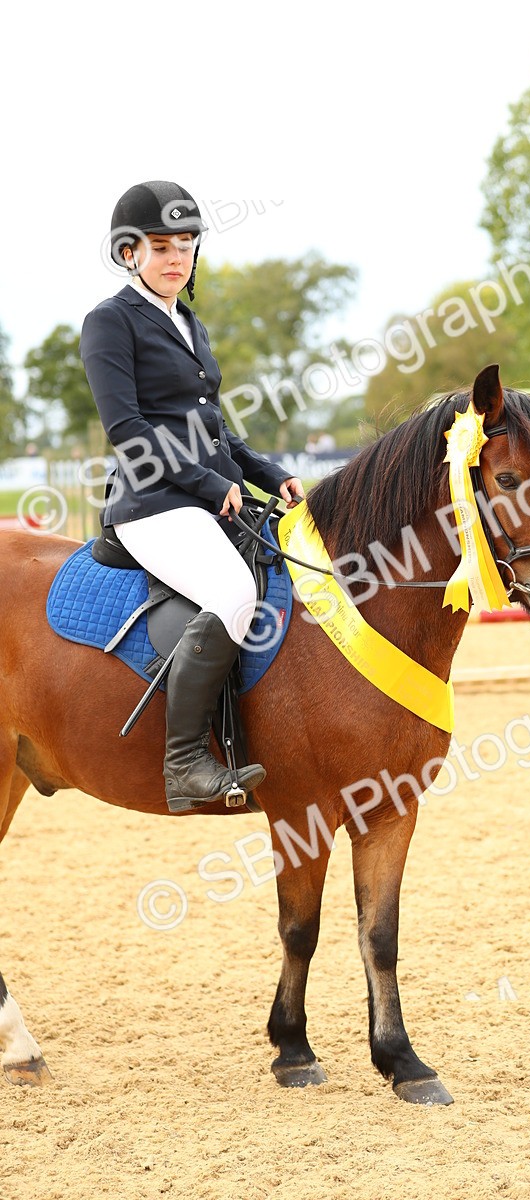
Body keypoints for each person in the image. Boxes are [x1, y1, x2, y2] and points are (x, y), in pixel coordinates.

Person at [80, 181, 305, 812]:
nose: (176, 257)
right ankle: (184, 762)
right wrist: (211, 485)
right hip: (150, 504)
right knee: (234, 592)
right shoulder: (109, 321)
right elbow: (128, 430)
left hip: (201, 497)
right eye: (161, 246)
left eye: (185, 245)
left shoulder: (188, 323)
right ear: (129, 253)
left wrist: (268, 474)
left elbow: (214, 430)